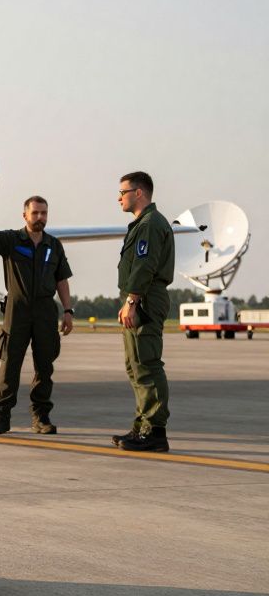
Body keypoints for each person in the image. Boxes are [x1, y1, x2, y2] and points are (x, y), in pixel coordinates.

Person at [0, 197, 74, 435]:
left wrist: (68, 310)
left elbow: (61, 279)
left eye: (44, 213)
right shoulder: (12, 240)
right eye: (35, 213)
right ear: (25, 216)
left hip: (45, 311)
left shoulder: (54, 245)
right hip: (17, 311)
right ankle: (2, 417)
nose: (40, 217)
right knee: (10, 365)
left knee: (44, 366)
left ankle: (40, 417)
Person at [113, 171, 175, 452]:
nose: (119, 198)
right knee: (135, 365)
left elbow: (145, 264)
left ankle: (155, 431)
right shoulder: (142, 223)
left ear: (139, 193)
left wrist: (132, 299)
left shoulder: (150, 224)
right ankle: (141, 426)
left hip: (146, 298)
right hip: (139, 297)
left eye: (123, 192)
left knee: (147, 363)